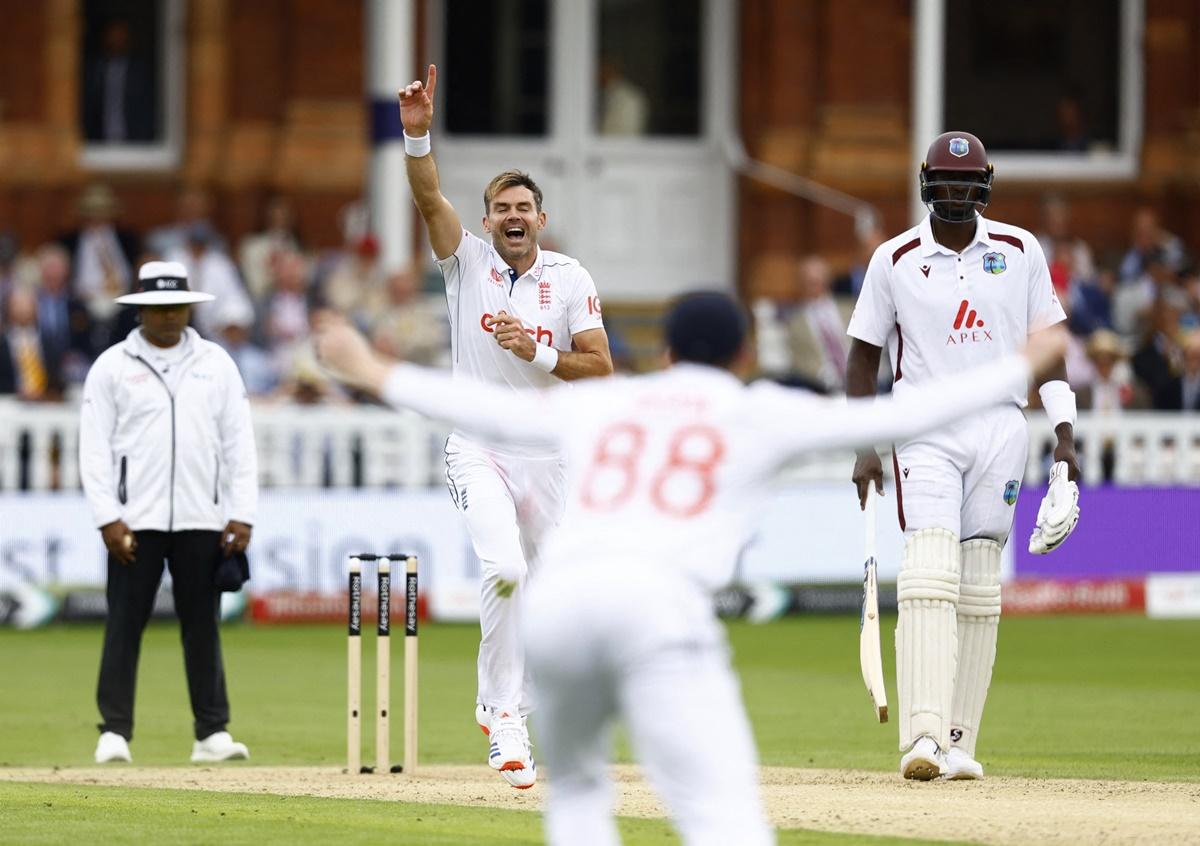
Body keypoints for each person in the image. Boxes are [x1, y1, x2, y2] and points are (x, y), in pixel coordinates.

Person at [313, 294, 1068, 846]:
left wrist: (372, 370)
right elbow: (893, 418)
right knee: (722, 817)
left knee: (575, 790)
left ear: (665, 351)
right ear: (744, 354)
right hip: (658, 609)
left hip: (561, 607)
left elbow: (491, 415)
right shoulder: (759, 408)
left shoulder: (608, 402)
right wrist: (1019, 364)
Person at [399, 64, 614, 788]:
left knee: (547, 593)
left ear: (540, 219)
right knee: (506, 573)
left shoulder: (571, 277)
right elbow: (428, 195)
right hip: (480, 446)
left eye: (524, 205)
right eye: (501, 207)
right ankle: (504, 718)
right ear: (487, 219)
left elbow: (601, 367)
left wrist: (540, 349)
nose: (513, 216)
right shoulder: (467, 263)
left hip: (549, 457)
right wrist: (417, 130)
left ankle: (515, 706)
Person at [845, 131, 1081, 781]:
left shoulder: (1020, 249)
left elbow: (1050, 350)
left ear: (984, 184)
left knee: (979, 586)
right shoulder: (893, 258)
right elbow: (863, 358)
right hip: (925, 424)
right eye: (943, 183)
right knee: (927, 572)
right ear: (926, 184)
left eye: (965, 182)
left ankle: (956, 741)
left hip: (1002, 426)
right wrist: (865, 443)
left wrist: (1065, 436)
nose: (954, 193)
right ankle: (921, 735)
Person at [79, 260, 258, 764]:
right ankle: (114, 731)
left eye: (176, 306)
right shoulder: (112, 366)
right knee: (124, 623)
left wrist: (241, 513)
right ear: (142, 310)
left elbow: (239, 443)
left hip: (203, 515)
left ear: (188, 306)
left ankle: (211, 733)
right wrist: (107, 517)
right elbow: (93, 451)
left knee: (202, 624)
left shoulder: (216, 362)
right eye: (158, 308)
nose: (168, 316)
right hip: (135, 518)